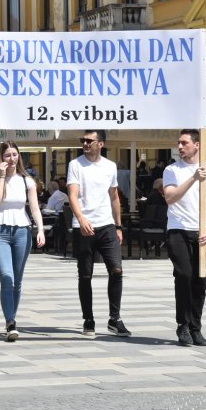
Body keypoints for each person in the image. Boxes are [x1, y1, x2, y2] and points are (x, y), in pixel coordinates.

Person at [163, 129, 206, 347]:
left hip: (203, 233)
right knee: (184, 275)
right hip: (178, 229)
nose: (180, 147)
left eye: (184, 143)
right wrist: (193, 178)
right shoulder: (172, 170)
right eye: (178, 142)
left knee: (200, 280)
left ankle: (195, 327)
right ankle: (182, 325)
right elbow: (170, 197)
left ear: (197, 145)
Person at [67, 130, 130, 338]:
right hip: (83, 226)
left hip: (107, 226)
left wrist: (118, 226)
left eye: (89, 141)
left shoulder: (110, 166)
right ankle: (88, 319)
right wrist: (81, 219)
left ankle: (115, 318)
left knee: (117, 270)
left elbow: (114, 197)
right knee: (85, 275)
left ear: (100, 144)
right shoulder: (75, 165)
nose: (85, 144)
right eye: (83, 140)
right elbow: (73, 195)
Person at [0, 141, 45, 342]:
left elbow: (35, 207)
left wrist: (40, 229)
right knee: (7, 276)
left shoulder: (27, 180)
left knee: (17, 281)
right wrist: (2, 177)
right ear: (1, 158)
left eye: (14, 155)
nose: (11, 159)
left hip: (22, 230)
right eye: (7, 155)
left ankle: (11, 320)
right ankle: (10, 321)